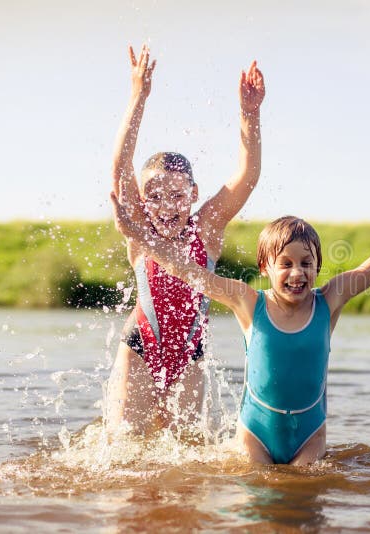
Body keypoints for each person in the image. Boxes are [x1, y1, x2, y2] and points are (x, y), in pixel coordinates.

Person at [111, 166, 370, 464]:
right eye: (286, 264)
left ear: (317, 267)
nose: (297, 273)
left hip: (310, 436)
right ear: (265, 266)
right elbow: (189, 271)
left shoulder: (330, 300)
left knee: (303, 512)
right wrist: (139, 237)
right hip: (255, 434)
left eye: (306, 264)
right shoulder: (248, 302)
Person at [106, 43, 266, 436]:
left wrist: (250, 114)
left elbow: (246, 176)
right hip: (141, 346)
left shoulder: (206, 228)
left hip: (190, 356)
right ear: (142, 200)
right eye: (154, 197)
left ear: (194, 194)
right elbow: (120, 165)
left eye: (177, 195)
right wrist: (137, 96)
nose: (165, 206)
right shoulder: (138, 227)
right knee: (127, 450)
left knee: (189, 457)